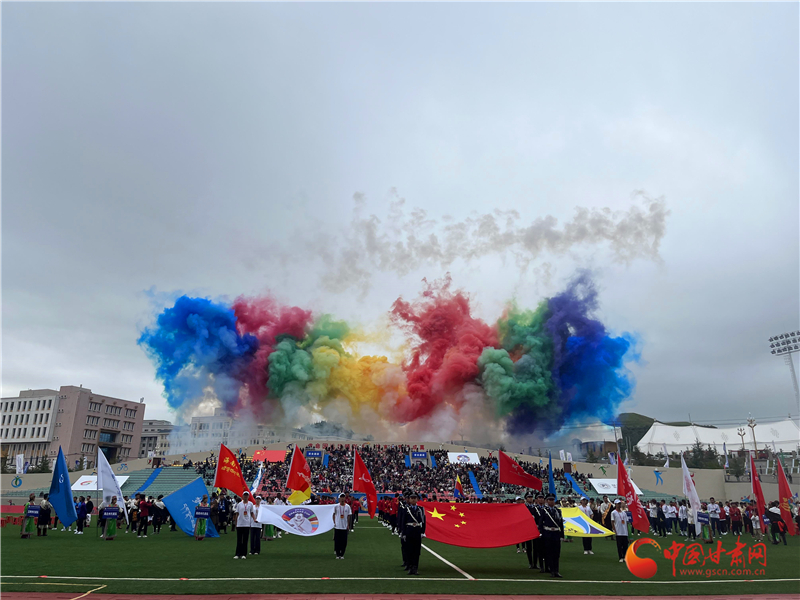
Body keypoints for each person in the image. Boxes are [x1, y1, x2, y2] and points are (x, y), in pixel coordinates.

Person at [402, 492, 426, 575]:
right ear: (409, 499)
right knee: (409, 550)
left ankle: (415, 568)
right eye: (411, 498)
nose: (413, 500)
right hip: (409, 530)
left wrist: (422, 532)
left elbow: (423, 521)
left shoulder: (421, 509)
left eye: (414, 498)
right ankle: (410, 567)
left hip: (417, 531)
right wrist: (403, 533)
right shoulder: (406, 509)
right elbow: (403, 521)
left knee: (417, 551)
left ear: (417, 499)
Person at [541, 494, 564, 578]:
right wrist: (542, 533)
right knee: (549, 553)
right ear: (547, 501)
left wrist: (562, 535)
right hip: (548, 533)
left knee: (556, 553)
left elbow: (560, 524)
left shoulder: (558, 511)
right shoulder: (544, 510)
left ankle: (556, 570)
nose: (551, 501)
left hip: (556, 533)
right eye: (549, 500)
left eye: (552, 500)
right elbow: (541, 522)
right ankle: (552, 570)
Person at [234, 491, 255, 559]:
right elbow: (237, 514)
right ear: (243, 496)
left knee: (245, 540)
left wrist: (254, 519)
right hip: (240, 524)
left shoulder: (250, 504)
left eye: (247, 495)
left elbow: (252, 513)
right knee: (239, 539)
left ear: (248, 496)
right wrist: (236, 523)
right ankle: (238, 553)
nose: (245, 497)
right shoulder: (239, 504)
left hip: (247, 524)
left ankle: (244, 554)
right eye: (244, 495)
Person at [333, 493, 352, 559]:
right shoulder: (336, 506)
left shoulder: (347, 507)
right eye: (341, 497)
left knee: (344, 541)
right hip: (337, 526)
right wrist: (334, 522)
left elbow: (349, 516)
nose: (342, 499)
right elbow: (333, 514)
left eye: (343, 497)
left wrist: (348, 525)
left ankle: (342, 554)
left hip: (344, 526)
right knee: (337, 541)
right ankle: (338, 554)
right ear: (339, 499)